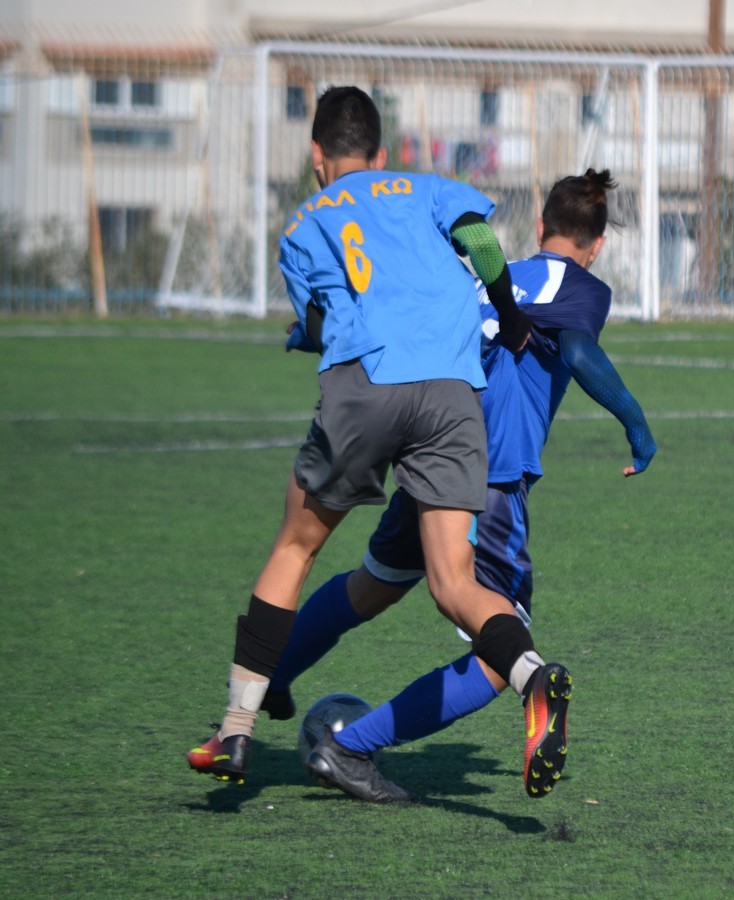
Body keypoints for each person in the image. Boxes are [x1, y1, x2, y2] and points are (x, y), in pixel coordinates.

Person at [187, 86, 569, 800]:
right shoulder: (427, 187)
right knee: (454, 582)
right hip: (452, 391)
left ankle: (235, 730)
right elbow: (483, 243)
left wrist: (303, 338)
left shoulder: (306, 221)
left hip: (368, 383)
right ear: (381, 152)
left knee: (295, 547)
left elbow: (320, 320)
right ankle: (531, 676)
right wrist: (512, 318)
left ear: (317, 154)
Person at [264, 168, 656, 802]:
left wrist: (310, 337)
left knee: (371, 586)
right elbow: (580, 353)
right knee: (501, 654)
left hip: (432, 443)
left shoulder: (483, 278)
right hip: (489, 473)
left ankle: (272, 673)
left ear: (539, 226)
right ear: (598, 243)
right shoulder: (580, 285)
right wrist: (637, 427)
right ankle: (350, 747)